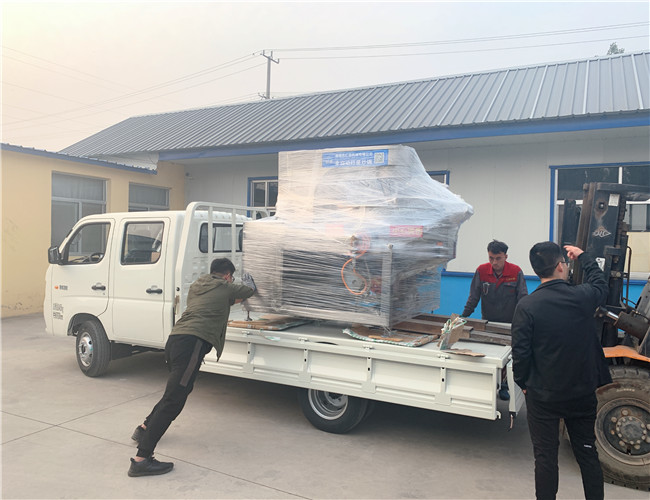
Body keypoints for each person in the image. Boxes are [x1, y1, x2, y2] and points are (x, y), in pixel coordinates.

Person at [128, 258, 256, 477]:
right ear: (227, 275)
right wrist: (249, 285)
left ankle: (144, 429)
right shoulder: (224, 286)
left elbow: (227, 300)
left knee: (174, 393)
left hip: (175, 340)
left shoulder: (199, 286)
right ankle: (141, 459)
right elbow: (247, 291)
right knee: (174, 401)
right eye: (231, 277)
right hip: (192, 343)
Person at [511, 242, 610, 500]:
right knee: (587, 453)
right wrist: (584, 257)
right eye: (565, 264)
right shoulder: (582, 297)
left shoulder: (527, 306)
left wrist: (523, 383)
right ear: (560, 266)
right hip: (581, 392)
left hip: (543, 395)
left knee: (545, 457)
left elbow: (520, 353)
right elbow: (601, 284)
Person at [462, 239, 528, 399]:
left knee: (509, 357)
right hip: (488, 323)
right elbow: (473, 297)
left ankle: (504, 385)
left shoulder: (516, 272)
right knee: (491, 355)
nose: (494, 262)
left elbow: (523, 299)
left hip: (510, 324)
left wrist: (523, 322)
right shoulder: (482, 271)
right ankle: (492, 384)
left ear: (506, 256)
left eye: (498, 258)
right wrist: (463, 318)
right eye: (491, 258)